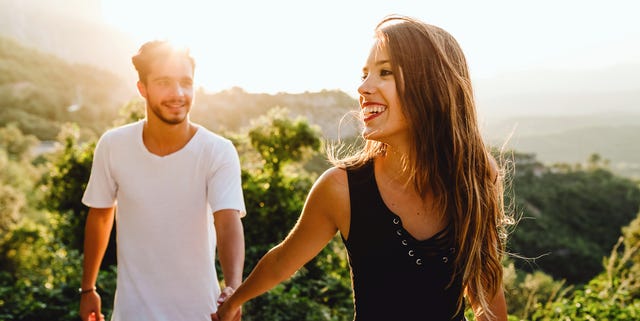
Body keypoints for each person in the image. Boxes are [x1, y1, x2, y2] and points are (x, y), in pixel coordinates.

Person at [214, 14, 510, 321]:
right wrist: (234, 301)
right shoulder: (341, 189)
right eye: (364, 74)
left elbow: (486, 284)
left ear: (431, 85)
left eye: (385, 72)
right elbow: (283, 261)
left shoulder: (475, 174)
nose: (364, 88)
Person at [78, 40, 246, 321]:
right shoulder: (113, 145)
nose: (177, 93)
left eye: (185, 82)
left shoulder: (218, 151)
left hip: (201, 314)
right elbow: (101, 215)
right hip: (131, 313)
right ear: (142, 88)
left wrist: (233, 289)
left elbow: (227, 220)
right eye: (164, 82)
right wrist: (87, 289)